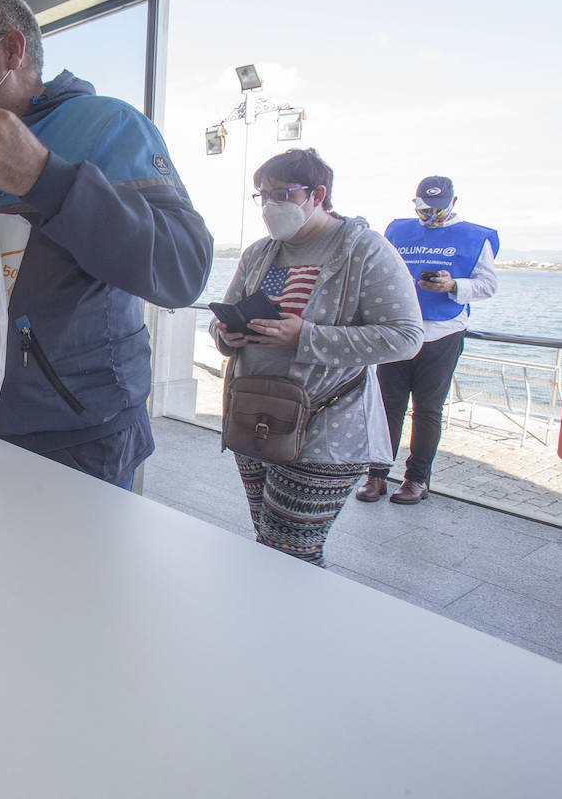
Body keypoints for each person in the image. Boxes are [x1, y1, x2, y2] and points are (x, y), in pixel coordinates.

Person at [0, 0, 212, 489]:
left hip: (79, 433)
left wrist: (45, 178)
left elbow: (183, 269)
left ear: (12, 49)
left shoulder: (111, 126)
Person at [210, 148, 422, 566]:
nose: (270, 205)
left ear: (317, 194)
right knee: (268, 542)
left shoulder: (364, 250)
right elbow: (226, 315)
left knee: (291, 555)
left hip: (326, 430)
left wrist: (305, 338)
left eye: (282, 193)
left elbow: (406, 337)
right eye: (262, 195)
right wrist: (226, 335)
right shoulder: (260, 251)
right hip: (255, 418)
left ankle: (293, 629)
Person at [357, 176, 499, 505]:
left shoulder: (476, 237)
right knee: (387, 406)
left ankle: (416, 480)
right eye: (424, 207)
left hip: (443, 333)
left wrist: (454, 286)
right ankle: (377, 474)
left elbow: (488, 285)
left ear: (453, 202)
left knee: (427, 411)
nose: (430, 213)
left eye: (437, 208)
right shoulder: (397, 230)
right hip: (398, 330)